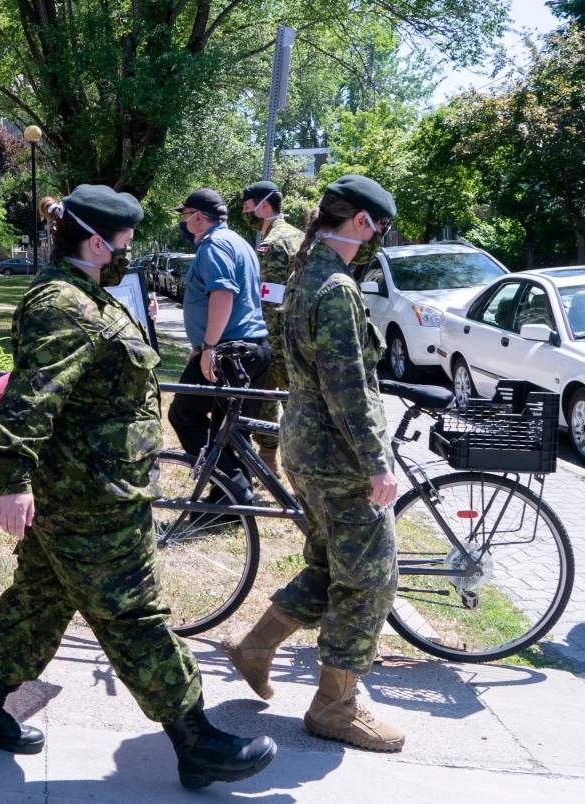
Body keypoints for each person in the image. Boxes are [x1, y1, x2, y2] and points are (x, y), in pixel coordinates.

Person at [0, 185, 275, 790]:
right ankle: (194, 737)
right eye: (124, 240)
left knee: (37, 602)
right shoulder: (64, 306)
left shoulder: (84, 296)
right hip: (90, 498)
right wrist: (12, 478)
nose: (130, 249)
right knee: (134, 614)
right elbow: (31, 395)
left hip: (92, 488)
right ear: (96, 241)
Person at [221, 175, 404, 753]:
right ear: (361, 224)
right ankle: (334, 705)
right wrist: (377, 463)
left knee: (331, 565)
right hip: (340, 458)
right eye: (383, 228)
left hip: (306, 445)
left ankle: (255, 648)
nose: (382, 238)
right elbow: (348, 385)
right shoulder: (338, 289)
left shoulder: (306, 276)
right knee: (369, 580)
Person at [167, 188, 270, 506]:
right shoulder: (238, 242)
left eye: (185, 215)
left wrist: (209, 346)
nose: (184, 222)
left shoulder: (214, 246)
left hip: (229, 351)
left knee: (184, 414)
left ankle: (234, 487)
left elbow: (223, 295)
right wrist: (202, 346)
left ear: (198, 216)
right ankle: (228, 501)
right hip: (249, 349)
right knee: (229, 429)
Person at [241, 180, 304, 477]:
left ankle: (269, 461)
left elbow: (268, 299)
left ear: (263, 205)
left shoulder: (272, 244)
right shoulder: (300, 236)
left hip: (275, 338)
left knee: (266, 399)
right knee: (301, 403)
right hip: (300, 337)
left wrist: (262, 342)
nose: (245, 212)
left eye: (247, 206)